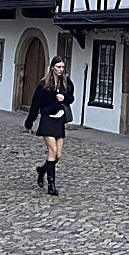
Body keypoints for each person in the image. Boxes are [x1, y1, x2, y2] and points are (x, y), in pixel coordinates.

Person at [24, 56, 74, 196]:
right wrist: (30, 122)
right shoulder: (44, 85)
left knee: (58, 155)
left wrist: (64, 99)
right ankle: (51, 184)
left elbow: (71, 98)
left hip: (59, 120)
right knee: (52, 151)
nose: (61, 70)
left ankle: (42, 170)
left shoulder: (66, 82)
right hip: (47, 119)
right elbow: (36, 104)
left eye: (63, 67)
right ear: (52, 67)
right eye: (58, 67)